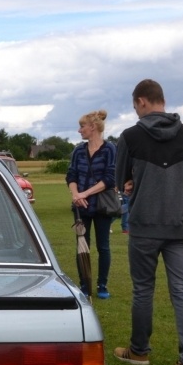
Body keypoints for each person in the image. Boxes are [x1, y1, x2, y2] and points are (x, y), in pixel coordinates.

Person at [113, 79, 183, 365]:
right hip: (181, 224)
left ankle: (139, 351)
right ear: (161, 99)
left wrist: (131, 183)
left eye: (134, 106)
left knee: (143, 289)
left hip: (144, 225)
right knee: (182, 290)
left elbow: (121, 182)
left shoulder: (130, 136)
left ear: (141, 101)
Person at [66, 109, 116, 299]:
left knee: (103, 247)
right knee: (82, 246)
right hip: (81, 207)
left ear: (93, 127)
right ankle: (84, 285)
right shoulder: (78, 150)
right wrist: (76, 195)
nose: (79, 130)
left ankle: (102, 285)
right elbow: (71, 175)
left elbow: (110, 178)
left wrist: (85, 193)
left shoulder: (110, 149)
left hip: (102, 206)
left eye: (82, 126)